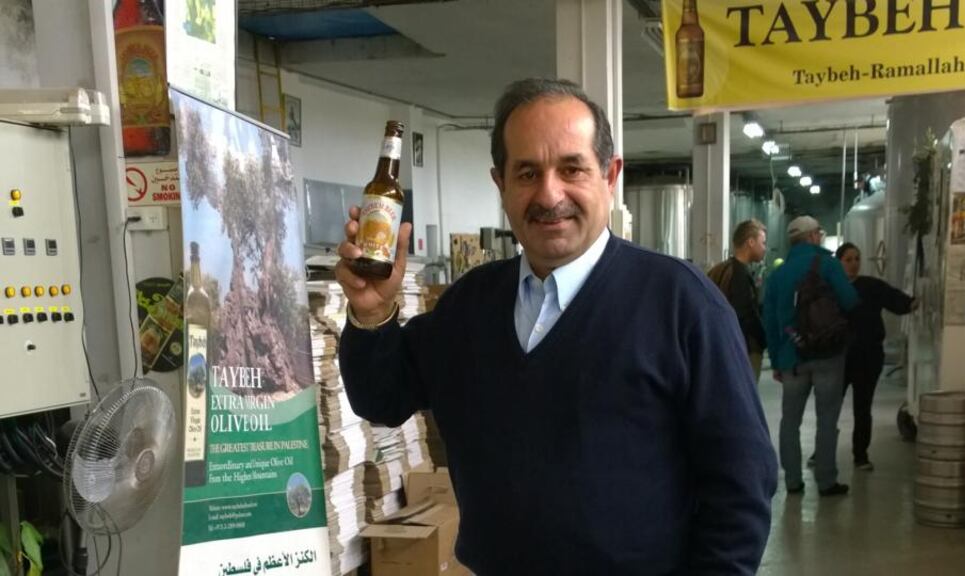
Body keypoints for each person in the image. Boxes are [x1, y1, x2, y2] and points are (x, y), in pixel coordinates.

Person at [334, 78, 777, 575]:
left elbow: (742, 485)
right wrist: (372, 312)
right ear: (501, 184)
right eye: (527, 172)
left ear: (610, 176)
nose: (549, 194)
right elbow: (380, 399)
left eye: (571, 168)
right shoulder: (469, 307)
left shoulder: (681, 305)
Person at [763, 216, 858, 497]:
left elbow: (769, 320)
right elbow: (850, 301)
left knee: (789, 421)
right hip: (829, 354)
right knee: (827, 419)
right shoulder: (828, 264)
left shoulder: (777, 274)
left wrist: (778, 360)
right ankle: (827, 481)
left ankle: (793, 481)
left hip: (793, 356)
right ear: (813, 237)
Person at [836, 242, 916, 471]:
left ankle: (860, 455)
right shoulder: (832, 288)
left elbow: (894, 299)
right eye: (848, 259)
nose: (853, 264)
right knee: (831, 406)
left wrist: (912, 303)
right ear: (839, 262)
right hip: (840, 357)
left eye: (856, 259)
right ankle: (821, 452)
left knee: (863, 407)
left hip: (868, 356)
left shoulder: (870, 286)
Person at [708, 219, 768, 379]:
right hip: (743, 348)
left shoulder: (720, 270)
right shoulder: (740, 274)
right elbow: (744, 312)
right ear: (750, 242)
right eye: (762, 243)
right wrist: (762, 338)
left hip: (722, 345)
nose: (765, 248)